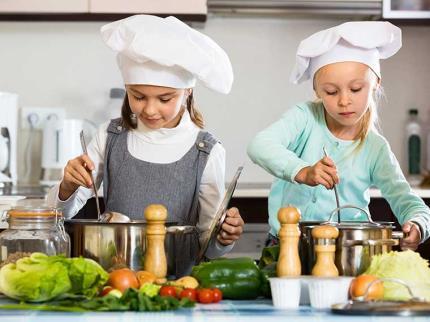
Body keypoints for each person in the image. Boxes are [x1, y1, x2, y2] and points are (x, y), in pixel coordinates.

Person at [47, 14, 244, 274]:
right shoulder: (109, 136)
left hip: (176, 285)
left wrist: (223, 236)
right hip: (115, 280)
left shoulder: (207, 152)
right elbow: (56, 216)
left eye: (165, 99)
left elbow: (208, 244)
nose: (150, 109)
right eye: (138, 96)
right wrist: (67, 186)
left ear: (188, 92)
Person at [247, 21, 430, 251]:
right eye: (331, 92)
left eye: (355, 89)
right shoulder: (304, 118)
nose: (344, 100)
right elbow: (259, 145)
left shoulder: (375, 148)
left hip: (348, 253)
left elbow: (407, 200)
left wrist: (418, 223)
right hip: (287, 247)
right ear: (317, 90)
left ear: (375, 84)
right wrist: (303, 171)